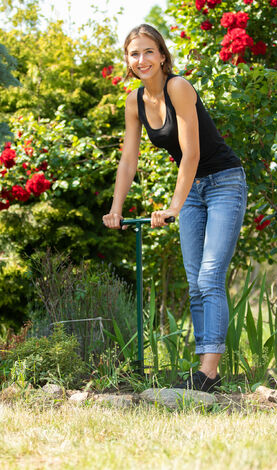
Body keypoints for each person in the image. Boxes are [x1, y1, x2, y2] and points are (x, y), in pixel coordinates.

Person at [102, 24, 247, 392]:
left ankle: (208, 372)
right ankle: (206, 370)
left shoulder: (178, 87)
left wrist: (172, 207)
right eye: (134, 54)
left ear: (162, 55)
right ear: (128, 61)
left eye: (149, 51)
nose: (142, 59)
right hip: (193, 189)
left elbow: (192, 152)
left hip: (224, 182)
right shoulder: (134, 102)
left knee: (210, 275)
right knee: (195, 279)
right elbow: (128, 160)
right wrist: (115, 208)